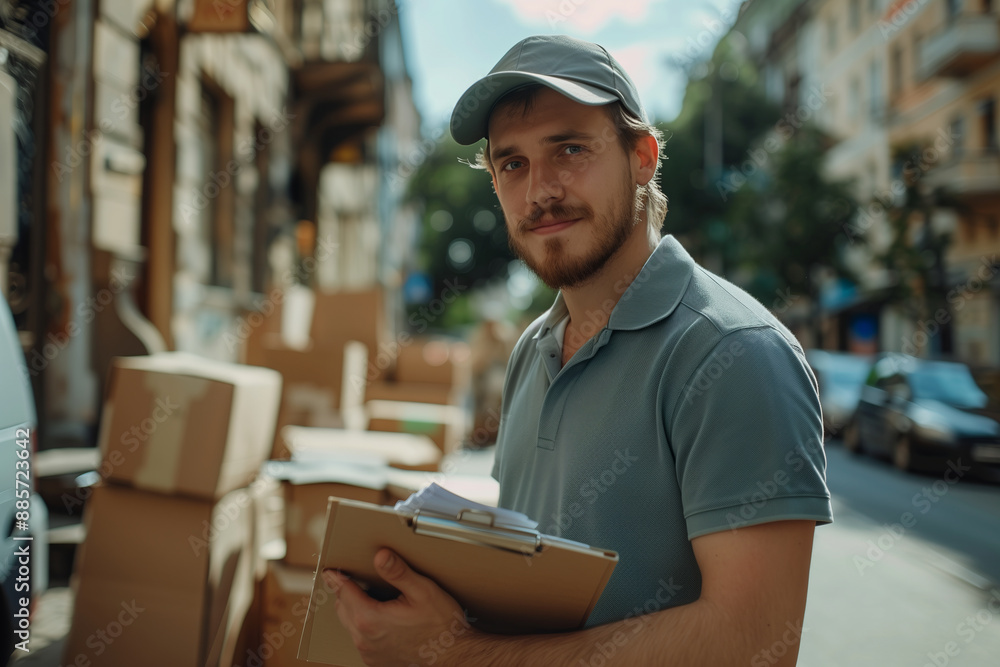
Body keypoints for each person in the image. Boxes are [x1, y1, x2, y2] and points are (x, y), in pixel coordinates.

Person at [325, 34, 833, 666]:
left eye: (570, 149)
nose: (540, 191)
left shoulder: (734, 354)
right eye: (512, 164)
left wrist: (456, 654)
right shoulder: (532, 349)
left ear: (643, 157)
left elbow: (751, 644)